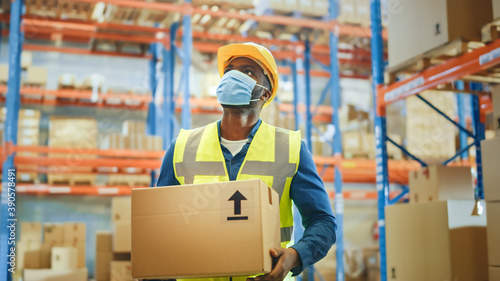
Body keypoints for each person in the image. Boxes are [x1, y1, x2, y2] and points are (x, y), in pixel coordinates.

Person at [157, 42, 337, 281]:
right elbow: (158, 225)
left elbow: (323, 222)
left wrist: (293, 256)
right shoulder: (182, 146)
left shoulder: (290, 148)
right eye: (230, 71)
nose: (234, 77)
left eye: (248, 72)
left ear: (265, 92)